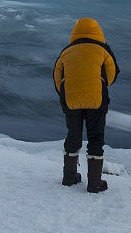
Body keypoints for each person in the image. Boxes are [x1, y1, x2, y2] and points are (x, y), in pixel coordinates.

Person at [53, 17, 119, 193]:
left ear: (75, 32)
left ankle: (69, 177)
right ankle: (95, 183)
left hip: (71, 100)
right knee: (95, 137)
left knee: (73, 135)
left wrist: (68, 96)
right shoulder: (103, 50)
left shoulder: (66, 51)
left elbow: (57, 78)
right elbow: (112, 77)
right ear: (98, 32)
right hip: (96, 99)